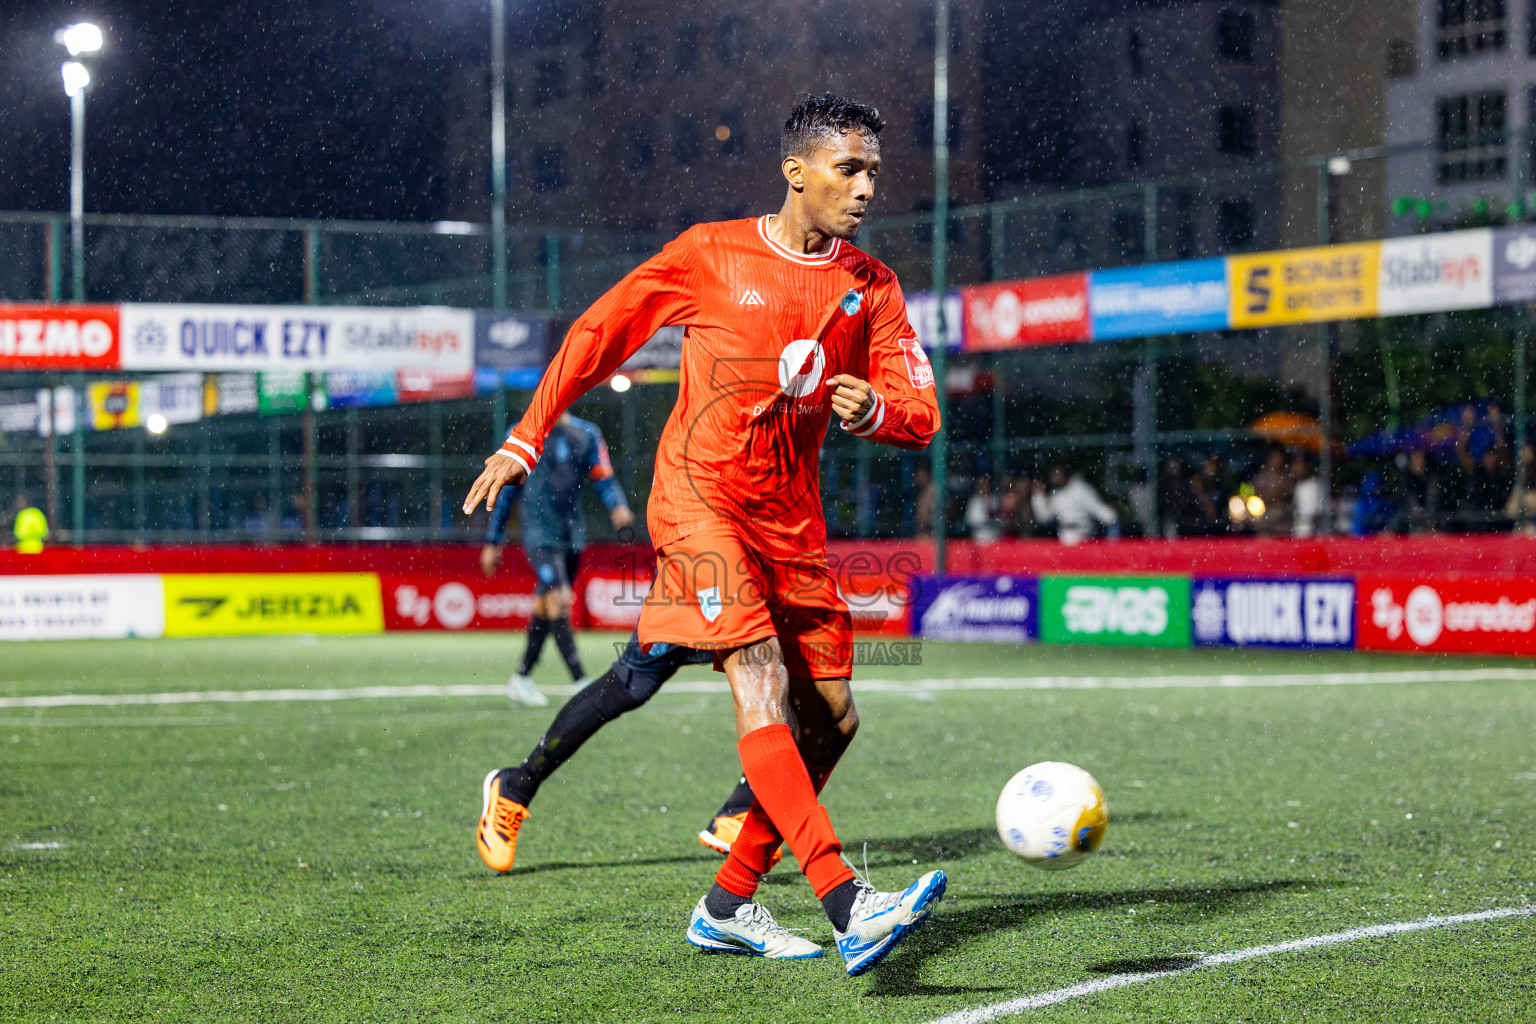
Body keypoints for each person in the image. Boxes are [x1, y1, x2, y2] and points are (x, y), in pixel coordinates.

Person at [463, 94, 945, 973]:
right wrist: (526, 436)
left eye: (874, 171)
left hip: (788, 528)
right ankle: (847, 902)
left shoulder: (870, 287)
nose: (867, 187)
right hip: (698, 503)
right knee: (751, 672)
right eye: (849, 168)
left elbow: (922, 409)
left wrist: (878, 409)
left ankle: (725, 901)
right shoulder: (708, 253)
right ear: (796, 171)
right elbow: (598, 332)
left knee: (831, 717)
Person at [475, 629, 784, 871]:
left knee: (779, 672)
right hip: (700, 584)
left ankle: (740, 810)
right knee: (631, 684)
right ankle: (516, 785)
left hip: (732, 584)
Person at [481, 411, 635, 706]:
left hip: (571, 533)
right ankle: (581, 681)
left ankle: (521, 677)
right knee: (559, 598)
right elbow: (507, 492)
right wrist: (493, 539)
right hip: (538, 532)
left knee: (547, 604)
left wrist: (617, 505)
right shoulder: (521, 433)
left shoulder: (587, 434)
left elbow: (603, 477)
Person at [1030, 465, 1118, 545]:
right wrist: (1038, 495)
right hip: (1065, 537)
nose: (1053, 478)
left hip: (1083, 536)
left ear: (1064, 474)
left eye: (1056, 474)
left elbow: (1100, 510)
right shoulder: (1056, 494)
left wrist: (1113, 531)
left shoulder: (1081, 489)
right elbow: (1044, 517)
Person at [964, 475, 1002, 543]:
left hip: (995, 539)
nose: (985, 487)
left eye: (987, 485)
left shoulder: (995, 500)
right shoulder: (974, 501)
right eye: (983, 485)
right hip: (979, 539)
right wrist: (985, 520)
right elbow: (970, 520)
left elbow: (1000, 520)